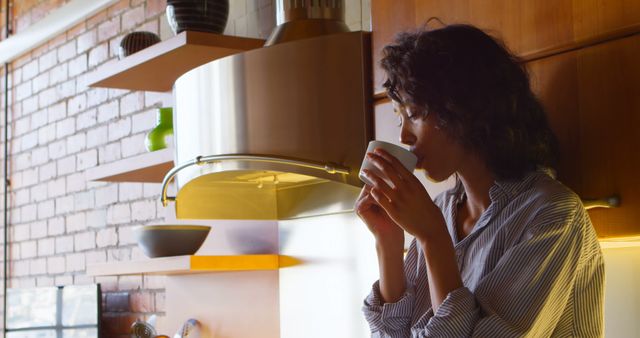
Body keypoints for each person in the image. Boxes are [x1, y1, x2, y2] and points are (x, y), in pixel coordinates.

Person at [356, 23, 604, 338]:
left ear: (465, 109)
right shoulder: (440, 211)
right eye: (399, 117)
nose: (404, 136)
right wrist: (388, 243)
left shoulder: (552, 216)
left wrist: (434, 239)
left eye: (415, 113)